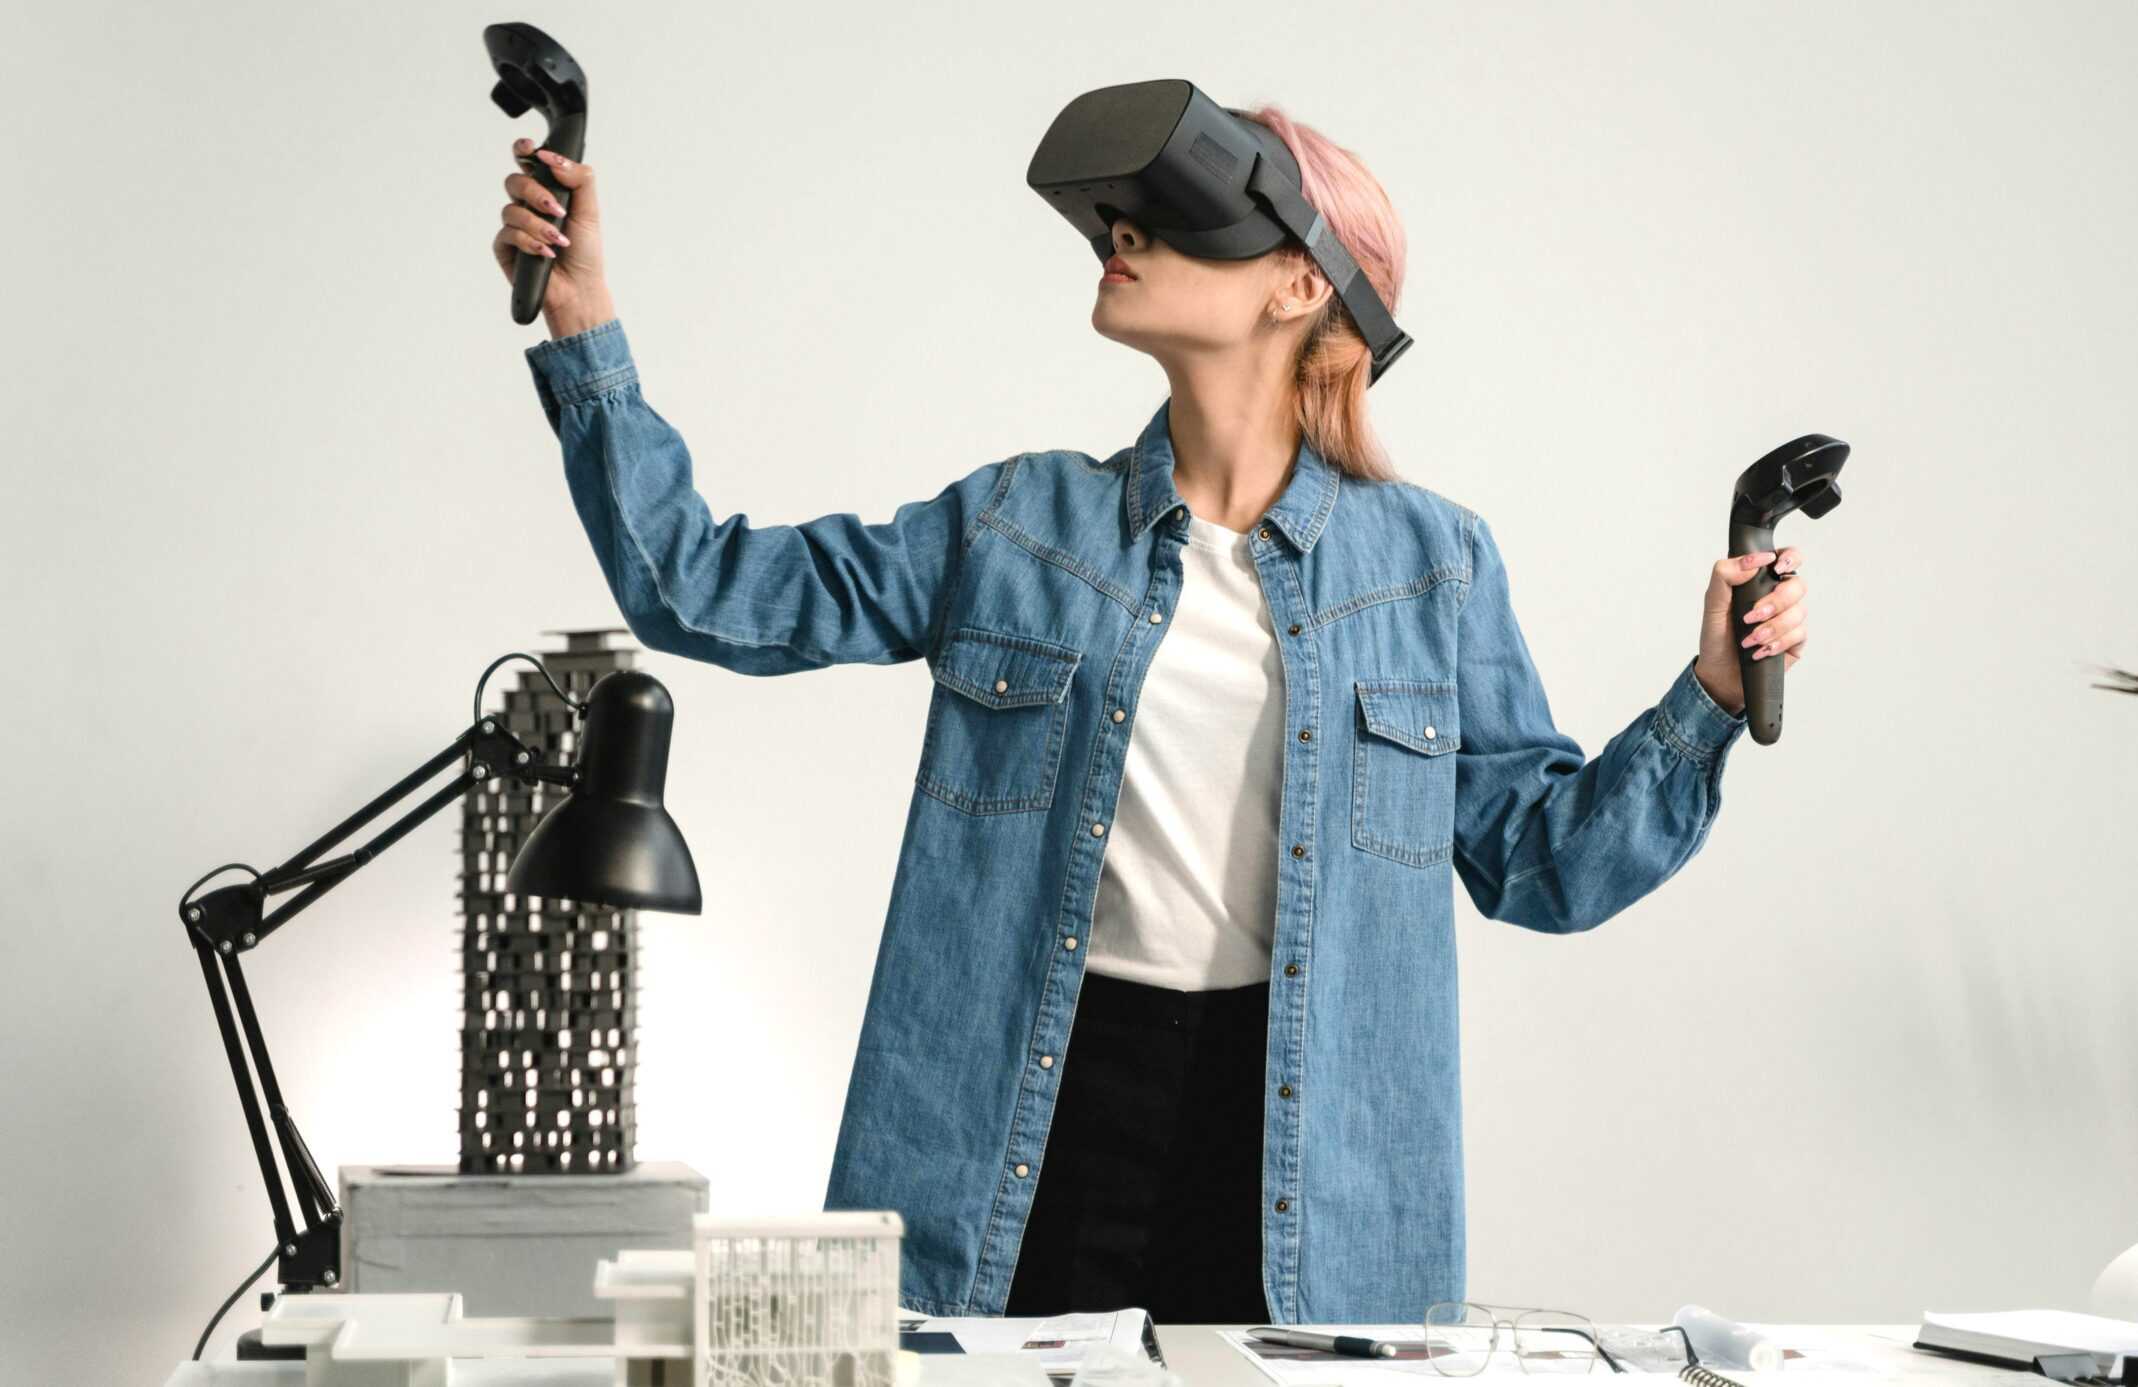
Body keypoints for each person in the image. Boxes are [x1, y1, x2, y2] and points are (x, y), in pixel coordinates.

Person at [494, 106, 1810, 1326]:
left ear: (1302, 285)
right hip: (1029, 1120)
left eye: (1175, 221)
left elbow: (1543, 866)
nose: (1124, 239)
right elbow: (701, 586)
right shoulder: (1013, 526)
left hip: (1300, 1162)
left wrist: (1701, 698)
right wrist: (584, 321)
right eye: (1120, 220)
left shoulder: (1432, 565)